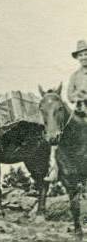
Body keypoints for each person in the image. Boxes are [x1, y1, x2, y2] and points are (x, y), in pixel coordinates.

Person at [45, 40, 87, 182]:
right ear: (78, 58)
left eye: (86, 54)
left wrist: (82, 94)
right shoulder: (75, 76)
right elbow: (70, 95)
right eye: (81, 55)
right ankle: (54, 170)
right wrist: (80, 96)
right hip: (81, 111)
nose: (83, 57)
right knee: (59, 132)